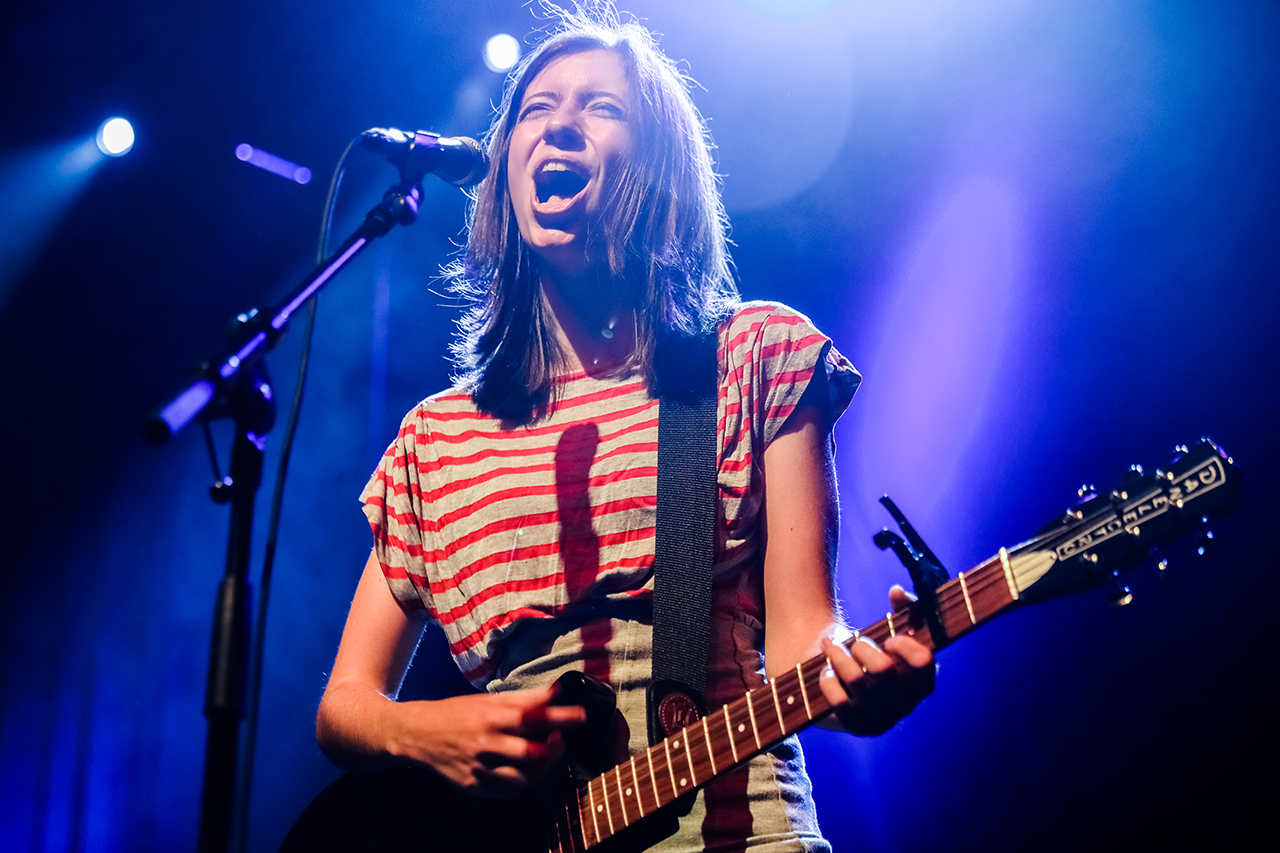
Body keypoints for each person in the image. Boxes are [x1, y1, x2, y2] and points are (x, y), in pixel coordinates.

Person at [311, 5, 935, 851]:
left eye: (601, 108)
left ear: (658, 169)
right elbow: (345, 702)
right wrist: (432, 731)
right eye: (536, 108)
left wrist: (866, 681)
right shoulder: (438, 437)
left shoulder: (751, 355)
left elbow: (804, 642)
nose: (560, 124)